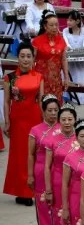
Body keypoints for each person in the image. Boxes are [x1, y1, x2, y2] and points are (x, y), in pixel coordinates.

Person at [2, 42, 41, 204]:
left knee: (34, 154)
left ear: (33, 58)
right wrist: (7, 122)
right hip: (18, 121)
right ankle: (22, 191)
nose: (25, 59)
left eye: (28, 56)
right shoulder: (9, 78)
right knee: (19, 156)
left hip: (35, 119)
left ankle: (34, 189)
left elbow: (41, 101)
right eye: (22, 56)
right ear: (17, 58)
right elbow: (6, 102)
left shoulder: (39, 76)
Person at [44, 104, 78, 225]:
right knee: (60, 224)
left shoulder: (81, 140)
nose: (66, 122)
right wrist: (48, 190)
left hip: (76, 185)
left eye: (70, 119)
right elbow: (47, 166)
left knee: (75, 224)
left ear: (75, 120)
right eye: (63, 119)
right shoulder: (53, 140)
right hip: (58, 183)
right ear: (59, 121)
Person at [28, 96, 60, 225]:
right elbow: (31, 154)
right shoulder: (36, 130)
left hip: (60, 172)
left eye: (56, 110)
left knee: (57, 208)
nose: (53, 114)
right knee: (43, 209)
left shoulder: (64, 128)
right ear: (43, 111)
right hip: (41, 171)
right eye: (50, 110)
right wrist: (30, 175)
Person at [31, 12, 69, 101]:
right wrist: (32, 77)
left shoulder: (61, 40)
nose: (55, 27)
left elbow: (64, 60)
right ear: (45, 26)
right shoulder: (37, 41)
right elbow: (32, 61)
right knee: (42, 103)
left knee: (55, 104)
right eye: (51, 25)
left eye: (56, 25)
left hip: (56, 80)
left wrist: (66, 77)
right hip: (41, 79)